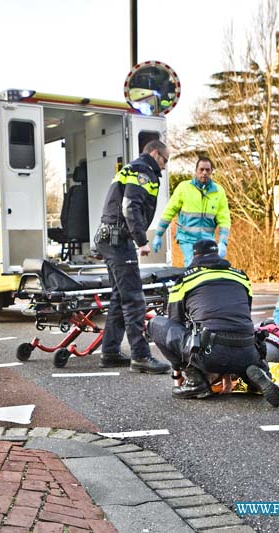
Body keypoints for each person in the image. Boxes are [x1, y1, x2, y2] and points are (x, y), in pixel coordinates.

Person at [148, 239, 279, 406]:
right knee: (235, 338)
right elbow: (243, 316)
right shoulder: (241, 276)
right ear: (217, 254)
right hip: (248, 350)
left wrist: (179, 372)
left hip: (210, 352)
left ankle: (194, 381)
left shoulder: (185, 279)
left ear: (195, 255)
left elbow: (175, 323)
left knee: (157, 324)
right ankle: (254, 374)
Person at [93, 140, 171, 374]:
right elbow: (130, 206)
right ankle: (140, 356)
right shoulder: (143, 171)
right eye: (164, 160)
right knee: (134, 299)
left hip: (109, 237)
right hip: (119, 240)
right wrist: (142, 240)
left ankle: (110, 352)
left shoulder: (130, 168)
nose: (165, 167)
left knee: (119, 296)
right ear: (155, 153)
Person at [151, 157, 231, 266]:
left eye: (208, 170)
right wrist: (158, 234)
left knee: (208, 267)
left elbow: (224, 219)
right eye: (201, 169)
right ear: (196, 171)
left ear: (212, 171)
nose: (204, 173)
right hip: (187, 238)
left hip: (207, 239)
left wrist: (223, 242)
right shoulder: (184, 188)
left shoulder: (218, 192)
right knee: (192, 265)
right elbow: (169, 212)